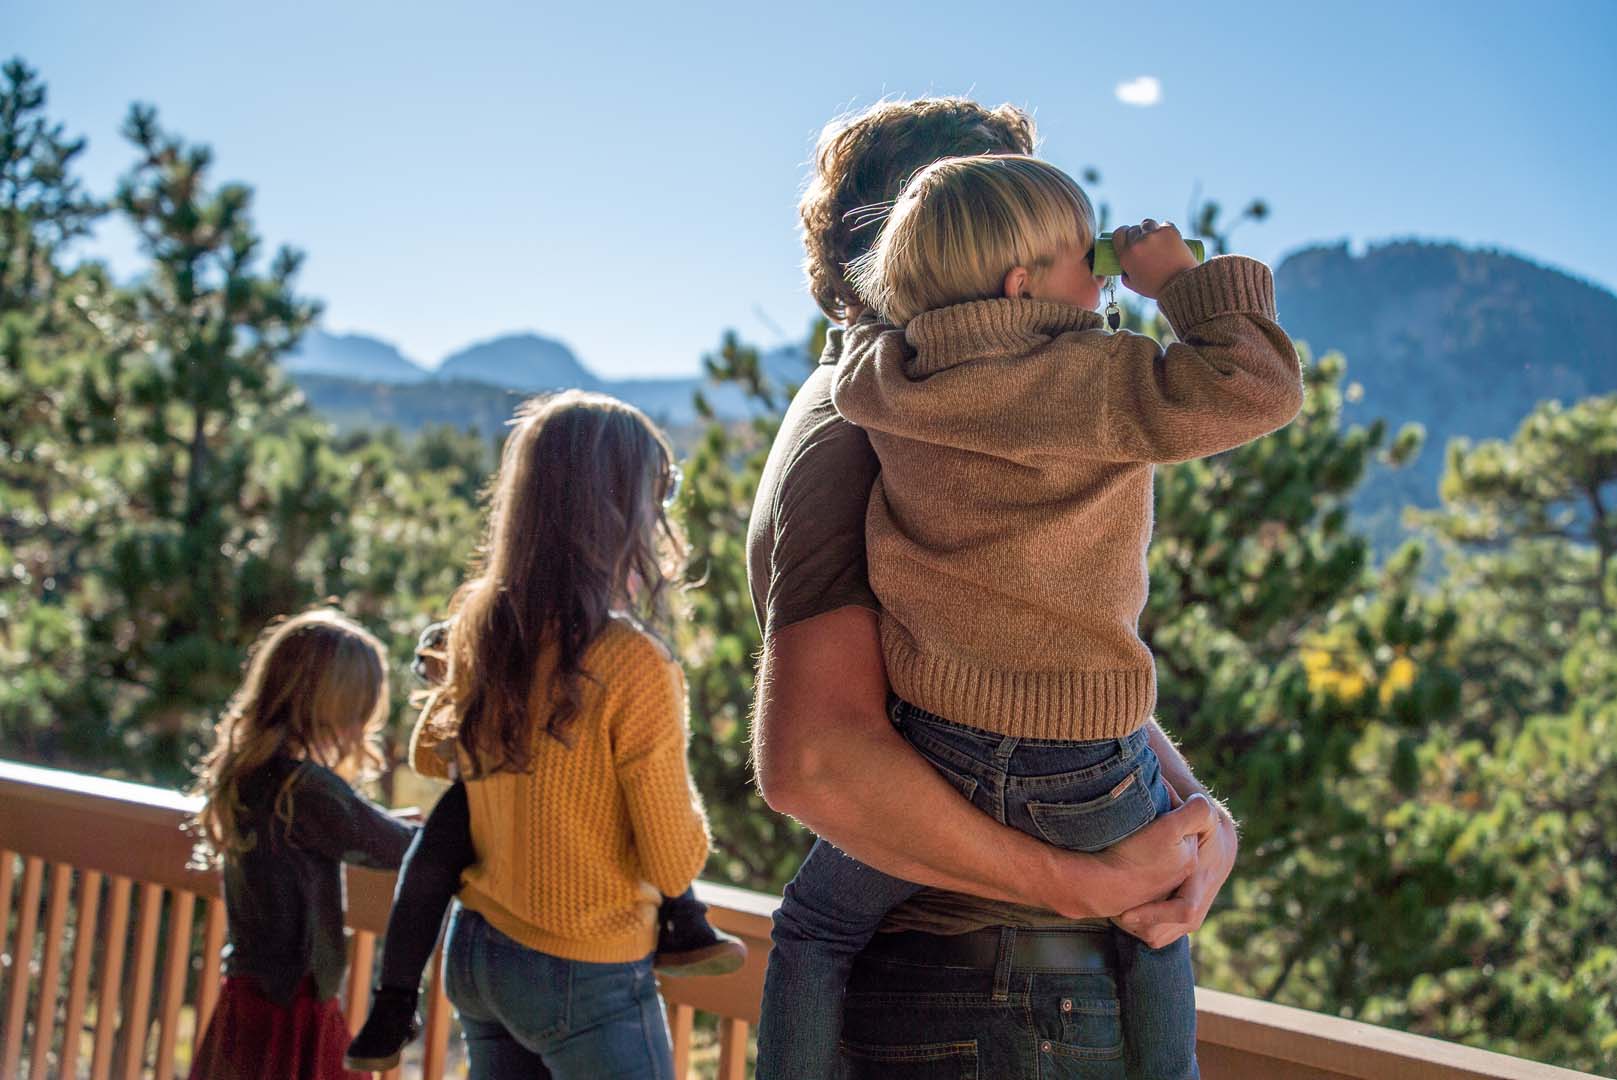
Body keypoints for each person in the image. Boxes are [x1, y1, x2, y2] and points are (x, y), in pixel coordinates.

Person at [763, 152, 1303, 1078]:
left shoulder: (883, 385)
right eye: (1084, 256)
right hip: (1088, 765)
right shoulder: (1095, 382)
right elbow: (1256, 386)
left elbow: (862, 337)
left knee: (814, 926)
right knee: (1158, 911)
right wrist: (1180, 282)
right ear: (1023, 285)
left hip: (936, 755)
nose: (1101, 274)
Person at [406, 390, 714, 1079]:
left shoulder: (485, 631)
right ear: (619, 513)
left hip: (481, 949)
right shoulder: (630, 662)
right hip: (584, 968)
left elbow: (428, 754)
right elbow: (672, 862)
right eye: (654, 497)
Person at [345, 620, 744, 1070]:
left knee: (434, 851)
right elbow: (428, 754)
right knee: (440, 841)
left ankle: (394, 997)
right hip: (574, 950)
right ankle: (394, 999)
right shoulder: (611, 650)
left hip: (482, 943)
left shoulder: (589, 646)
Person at [187, 608, 415, 1080]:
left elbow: (359, 827)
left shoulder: (252, 776)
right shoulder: (304, 789)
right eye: (357, 712)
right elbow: (393, 846)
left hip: (249, 998)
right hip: (292, 1005)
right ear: (328, 707)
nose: (360, 730)